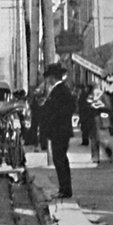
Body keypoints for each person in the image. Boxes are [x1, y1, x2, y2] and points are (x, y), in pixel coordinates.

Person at [42, 63, 76, 199]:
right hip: (59, 131)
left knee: (60, 160)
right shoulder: (59, 89)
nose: (47, 79)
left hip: (60, 131)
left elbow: (65, 109)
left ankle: (65, 190)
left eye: (49, 77)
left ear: (52, 77)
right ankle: (64, 189)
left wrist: (54, 119)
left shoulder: (61, 90)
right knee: (60, 159)